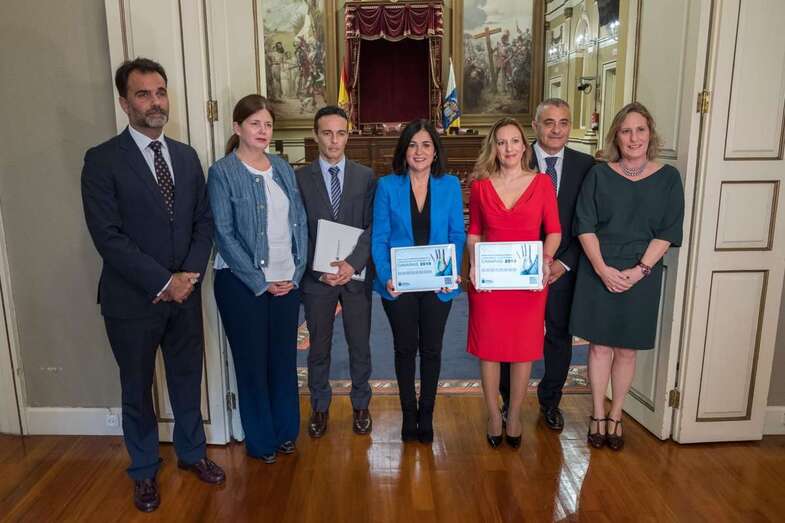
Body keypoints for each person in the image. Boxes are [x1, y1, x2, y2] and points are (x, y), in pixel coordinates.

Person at [81, 58, 225, 513]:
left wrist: (186, 279)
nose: (155, 101)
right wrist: (164, 281)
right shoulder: (102, 160)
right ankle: (143, 471)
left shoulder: (185, 157)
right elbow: (108, 237)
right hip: (131, 301)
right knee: (137, 388)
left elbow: (204, 222)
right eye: (143, 94)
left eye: (160, 92)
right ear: (125, 103)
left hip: (184, 297)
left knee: (187, 380)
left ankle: (191, 453)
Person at [570, 102, 684, 451]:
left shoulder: (668, 178)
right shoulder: (599, 174)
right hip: (599, 268)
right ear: (616, 137)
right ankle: (597, 413)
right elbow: (584, 225)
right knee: (600, 346)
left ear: (650, 134)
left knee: (627, 350)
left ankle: (617, 414)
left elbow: (668, 230)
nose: (633, 138)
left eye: (640, 130)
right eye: (626, 131)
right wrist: (603, 269)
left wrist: (639, 271)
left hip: (642, 272)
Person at [207, 94, 308, 464]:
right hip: (241, 285)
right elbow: (223, 233)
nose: (263, 130)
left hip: (286, 282)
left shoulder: (281, 167)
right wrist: (259, 279)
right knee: (252, 364)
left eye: (267, 124)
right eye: (254, 124)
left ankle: (285, 433)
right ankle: (261, 441)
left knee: (282, 360)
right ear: (237, 128)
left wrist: (296, 272)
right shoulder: (222, 172)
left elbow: (298, 221)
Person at [499, 99, 594, 431]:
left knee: (558, 336)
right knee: (510, 336)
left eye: (564, 122)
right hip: (514, 269)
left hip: (561, 269)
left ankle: (550, 401)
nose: (557, 129)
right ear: (535, 127)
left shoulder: (587, 166)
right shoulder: (513, 158)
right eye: (549, 122)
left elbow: (588, 221)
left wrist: (562, 264)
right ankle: (507, 403)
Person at [466, 117, 561, 449]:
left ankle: (516, 413)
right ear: (494, 147)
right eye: (502, 142)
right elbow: (475, 232)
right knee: (489, 351)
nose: (508, 148)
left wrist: (546, 264)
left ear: (525, 145)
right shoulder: (480, 185)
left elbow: (554, 231)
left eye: (515, 141)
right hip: (490, 283)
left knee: (523, 352)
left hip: (528, 283)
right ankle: (494, 414)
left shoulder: (542, 183)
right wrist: (475, 265)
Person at [371, 119, 466, 443]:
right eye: (412, 145)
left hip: (438, 284)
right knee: (404, 349)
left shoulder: (450, 185)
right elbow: (380, 238)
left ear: (436, 151)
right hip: (399, 284)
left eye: (426, 144)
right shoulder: (387, 186)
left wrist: (450, 272)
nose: (419, 151)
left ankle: (427, 414)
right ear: (404, 150)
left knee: (432, 349)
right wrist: (386, 278)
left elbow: (456, 234)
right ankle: (408, 415)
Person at [295, 106, 376, 438]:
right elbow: (297, 229)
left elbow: (372, 227)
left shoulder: (365, 176)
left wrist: (352, 265)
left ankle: (361, 405)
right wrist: (319, 268)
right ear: (316, 135)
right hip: (318, 280)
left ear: (348, 135)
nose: (334, 140)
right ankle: (320, 407)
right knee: (319, 348)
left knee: (360, 345)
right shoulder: (299, 178)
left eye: (340, 133)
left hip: (355, 278)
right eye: (327, 133)